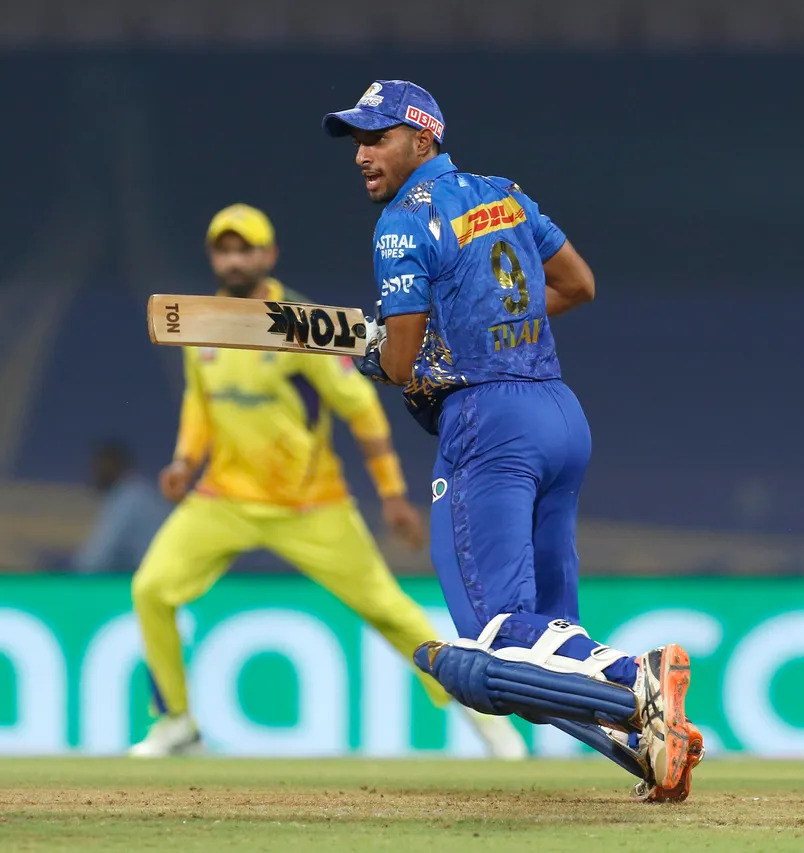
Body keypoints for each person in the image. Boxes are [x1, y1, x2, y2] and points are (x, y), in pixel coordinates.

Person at [321, 80, 702, 801]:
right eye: (358, 141)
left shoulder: (404, 221)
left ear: (423, 139)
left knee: (494, 641)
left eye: (378, 138)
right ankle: (650, 743)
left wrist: (383, 354)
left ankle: (636, 678)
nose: (362, 154)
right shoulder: (505, 194)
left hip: (488, 425)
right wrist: (470, 334)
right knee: (546, 643)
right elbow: (580, 285)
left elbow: (399, 363)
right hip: (559, 413)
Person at [129, 203, 526, 759]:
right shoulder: (201, 323)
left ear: (269, 255)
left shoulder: (302, 324)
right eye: (224, 250)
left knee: (387, 609)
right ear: (213, 257)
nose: (234, 260)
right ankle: (177, 723)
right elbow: (201, 402)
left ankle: (476, 712)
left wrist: (391, 493)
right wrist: (183, 462)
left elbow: (361, 410)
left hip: (310, 505)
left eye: (246, 249)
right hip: (225, 498)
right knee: (151, 589)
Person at [72, 441, 170, 574]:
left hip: (159, 574)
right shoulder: (138, 491)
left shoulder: (129, 498)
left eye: (104, 467)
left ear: (117, 467)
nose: (97, 473)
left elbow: (96, 561)